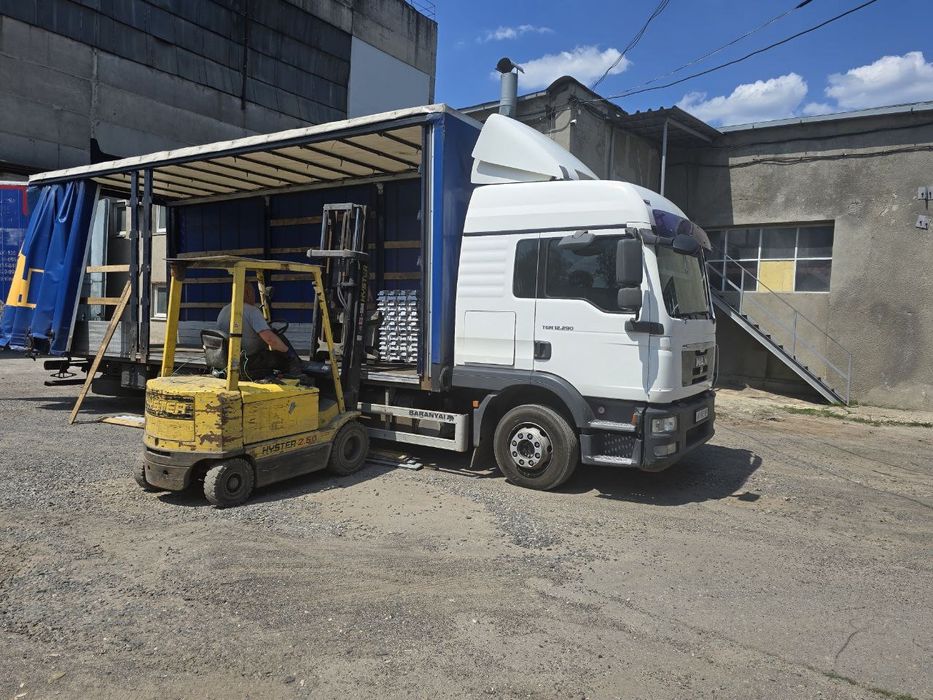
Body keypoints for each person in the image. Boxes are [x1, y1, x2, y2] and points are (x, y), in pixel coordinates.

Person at [217, 283, 302, 378]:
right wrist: (289, 354)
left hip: (229, 360)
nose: (255, 297)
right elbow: (270, 339)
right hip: (249, 361)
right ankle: (297, 377)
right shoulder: (252, 311)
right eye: (254, 293)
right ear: (248, 293)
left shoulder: (224, 310)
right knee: (284, 359)